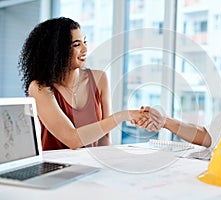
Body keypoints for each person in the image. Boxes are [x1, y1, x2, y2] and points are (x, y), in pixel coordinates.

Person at [18, 17, 150, 150]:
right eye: (76, 44)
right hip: (55, 167)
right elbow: (73, 140)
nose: (85, 48)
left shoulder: (100, 79)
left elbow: (104, 140)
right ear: (56, 51)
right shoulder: (39, 88)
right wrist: (122, 116)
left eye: (84, 42)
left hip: (90, 164)